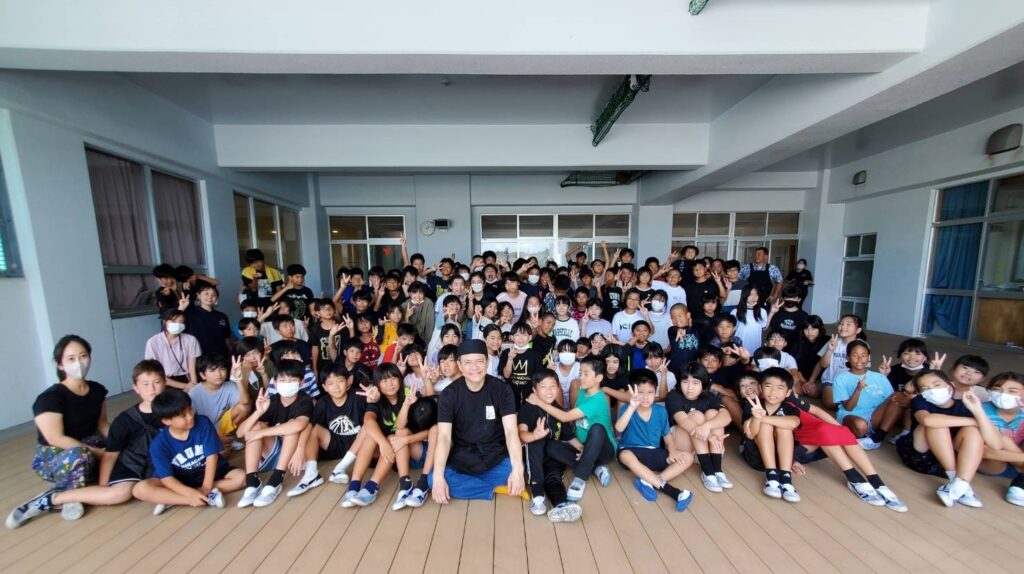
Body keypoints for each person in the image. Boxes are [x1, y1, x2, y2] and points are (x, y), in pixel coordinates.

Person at [7, 360, 165, 528]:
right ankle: (53, 498)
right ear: (136, 388)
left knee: (156, 483)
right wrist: (103, 486)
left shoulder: (175, 409)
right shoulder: (125, 419)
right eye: (145, 384)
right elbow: (110, 455)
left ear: (164, 382)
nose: (152, 389)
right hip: (131, 463)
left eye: (156, 382)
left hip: (159, 464)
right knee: (120, 494)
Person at [431, 340, 525, 503]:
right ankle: (493, 489)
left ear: (487, 363)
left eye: (479, 361)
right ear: (460, 365)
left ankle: (474, 485)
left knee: (514, 468)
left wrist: (518, 470)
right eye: (468, 362)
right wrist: (438, 478)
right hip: (462, 456)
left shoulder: (502, 390)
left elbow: (511, 431)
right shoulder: (449, 394)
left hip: (495, 455)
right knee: (433, 478)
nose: (474, 367)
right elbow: (444, 437)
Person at [895, 369, 1001, 508]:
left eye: (936, 385)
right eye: (926, 389)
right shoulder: (920, 401)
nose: (932, 390)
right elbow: (927, 420)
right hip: (922, 457)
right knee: (937, 424)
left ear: (949, 386)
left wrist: (978, 412)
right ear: (921, 393)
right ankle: (956, 481)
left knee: (973, 432)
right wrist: (974, 421)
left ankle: (959, 485)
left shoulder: (965, 405)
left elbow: (996, 444)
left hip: (955, 460)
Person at [29, 335, 109, 512]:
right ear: (60, 364)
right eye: (71, 359)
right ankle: (66, 498)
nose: (78, 363)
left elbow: (102, 423)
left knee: (126, 448)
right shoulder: (49, 398)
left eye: (83, 356)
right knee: (81, 456)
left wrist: (117, 444)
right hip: (59, 451)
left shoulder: (97, 390)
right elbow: (55, 438)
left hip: (91, 442)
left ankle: (81, 486)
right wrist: (98, 453)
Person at [525, 356, 615, 503]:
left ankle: (580, 478)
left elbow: (566, 417)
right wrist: (581, 447)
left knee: (597, 428)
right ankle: (595, 467)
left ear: (598, 378)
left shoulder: (599, 399)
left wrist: (538, 402)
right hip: (583, 446)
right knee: (551, 446)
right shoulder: (582, 392)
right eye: (580, 373)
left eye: (586, 374)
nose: (581, 377)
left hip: (604, 450)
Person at [146, 389, 245, 513]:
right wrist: (189, 493)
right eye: (183, 415)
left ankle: (172, 498)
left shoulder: (202, 422)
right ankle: (196, 498)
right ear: (166, 421)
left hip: (211, 472)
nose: (190, 416)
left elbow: (212, 456)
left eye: (190, 409)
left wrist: (206, 487)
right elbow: (166, 478)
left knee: (242, 478)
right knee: (141, 488)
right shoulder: (158, 444)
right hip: (181, 478)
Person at [235, 360, 313, 508]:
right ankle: (252, 482)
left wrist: (262, 433)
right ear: (275, 383)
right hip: (274, 453)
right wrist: (258, 412)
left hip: (294, 459)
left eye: (293, 380)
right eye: (282, 380)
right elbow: (240, 433)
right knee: (256, 426)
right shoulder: (271, 401)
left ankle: (276, 480)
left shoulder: (304, 400)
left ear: (301, 382)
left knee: (290, 427)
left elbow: (299, 425)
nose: (287, 384)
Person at [615, 370, 695, 511]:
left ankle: (648, 481)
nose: (645, 397)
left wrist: (673, 451)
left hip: (654, 452)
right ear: (632, 392)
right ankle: (672, 491)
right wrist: (632, 407)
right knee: (625, 455)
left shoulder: (660, 411)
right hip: (631, 451)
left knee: (688, 457)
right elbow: (619, 428)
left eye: (650, 392)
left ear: (655, 391)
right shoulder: (627, 408)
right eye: (640, 392)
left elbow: (667, 436)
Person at [518, 370, 582, 521]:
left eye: (553, 386)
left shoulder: (557, 410)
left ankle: (561, 504)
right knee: (536, 441)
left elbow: (569, 436)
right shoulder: (528, 408)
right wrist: (534, 435)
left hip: (552, 455)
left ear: (558, 388)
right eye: (543, 386)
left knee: (553, 476)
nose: (549, 391)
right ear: (534, 390)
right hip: (533, 455)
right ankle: (537, 496)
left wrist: (581, 448)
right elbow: (521, 434)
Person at [667, 362, 732, 493]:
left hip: (704, 447)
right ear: (679, 382)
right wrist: (709, 435)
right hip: (682, 446)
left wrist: (707, 426)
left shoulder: (709, 396)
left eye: (695, 383)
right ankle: (707, 471)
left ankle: (717, 469)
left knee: (714, 414)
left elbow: (727, 417)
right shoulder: (674, 396)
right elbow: (683, 420)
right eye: (685, 382)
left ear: (703, 384)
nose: (690, 387)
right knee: (696, 415)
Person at [831, 340, 897, 450]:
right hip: (851, 415)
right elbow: (848, 407)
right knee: (860, 426)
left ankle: (877, 438)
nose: (860, 359)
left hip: (874, 417)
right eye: (855, 355)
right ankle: (864, 436)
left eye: (864, 355)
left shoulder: (879, 377)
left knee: (898, 397)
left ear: (868, 358)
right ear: (847, 358)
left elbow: (892, 401)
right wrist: (858, 389)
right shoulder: (840, 378)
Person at [978, 372, 1024, 506]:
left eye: (1012, 391)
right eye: (997, 389)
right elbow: (986, 452)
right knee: (1003, 439)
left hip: (1017, 465)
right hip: (993, 464)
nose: (1003, 395)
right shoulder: (981, 410)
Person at [189, 354, 251, 444]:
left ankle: (227, 438)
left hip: (221, 427)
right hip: (205, 430)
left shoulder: (229, 386)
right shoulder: (194, 393)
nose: (218, 374)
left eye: (222, 369)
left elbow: (245, 402)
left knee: (244, 408)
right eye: (212, 370)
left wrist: (238, 379)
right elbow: (192, 421)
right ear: (202, 375)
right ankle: (219, 441)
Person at [808, 314, 864, 410]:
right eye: (841, 324)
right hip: (831, 380)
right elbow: (823, 364)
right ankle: (824, 390)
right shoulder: (833, 341)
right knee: (830, 403)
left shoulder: (862, 346)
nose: (843, 327)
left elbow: (862, 369)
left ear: (858, 330)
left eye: (848, 324)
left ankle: (824, 391)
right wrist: (830, 350)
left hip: (850, 382)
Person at [144, 309, 201, 390]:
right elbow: (155, 371)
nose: (177, 324)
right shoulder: (153, 342)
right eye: (173, 321)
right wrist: (184, 386)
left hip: (185, 378)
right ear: (164, 322)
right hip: (163, 380)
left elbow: (192, 367)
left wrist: (193, 385)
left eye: (181, 322)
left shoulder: (191, 340)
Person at [184, 283, 234, 356]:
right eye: (206, 294)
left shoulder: (222, 316)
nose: (210, 297)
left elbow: (226, 337)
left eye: (214, 295)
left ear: (216, 298)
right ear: (198, 295)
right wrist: (181, 308)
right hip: (199, 355)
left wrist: (230, 351)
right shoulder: (190, 314)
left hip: (221, 355)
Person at [731, 285, 781, 355]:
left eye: (756, 294)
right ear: (744, 296)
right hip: (739, 349)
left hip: (755, 349)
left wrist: (772, 312)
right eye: (750, 294)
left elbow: (764, 327)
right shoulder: (735, 311)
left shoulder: (762, 311)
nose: (754, 297)